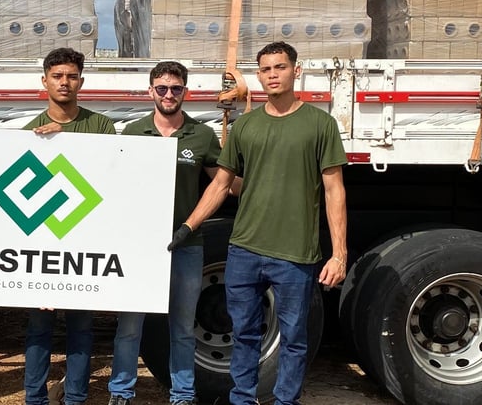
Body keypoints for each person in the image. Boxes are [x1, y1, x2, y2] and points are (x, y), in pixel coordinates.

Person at [174, 42, 348, 405]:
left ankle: (286, 401)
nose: (273, 75)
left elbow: (334, 190)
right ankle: (242, 399)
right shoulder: (246, 126)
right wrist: (188, 226)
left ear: (296, 71)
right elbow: (221, 184)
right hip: (245, 251)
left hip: (294, 254)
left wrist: (339, 254)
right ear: (259, 75)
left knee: (294, 339)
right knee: (244, 334)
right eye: (266, 69)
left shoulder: (320, 124)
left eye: (280, 67)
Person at [108, 61, 225, 405]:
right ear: (151, 92)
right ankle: (121, 391)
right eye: (162, 88)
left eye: (176, 88)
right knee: (130, 326)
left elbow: (224, 183)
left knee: (183, 327)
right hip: (141, 248)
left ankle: (183, 394)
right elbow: (115, 183)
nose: (169, 94)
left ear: (186, 91)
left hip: (187, 244)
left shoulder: (202, 135)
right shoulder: (133, 133)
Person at [22, 47, 115, 405]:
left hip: (84, 242)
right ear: (44, 81)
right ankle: (34, 398)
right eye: (57, 76)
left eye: (72, 76)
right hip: (41, 245)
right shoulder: (30, 132)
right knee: (38, 329)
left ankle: (75, 397)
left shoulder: (101, 126)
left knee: (81, 328)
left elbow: (110, 171)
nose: (65, 82)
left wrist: (66, 138)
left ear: (81, 82)